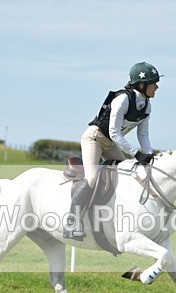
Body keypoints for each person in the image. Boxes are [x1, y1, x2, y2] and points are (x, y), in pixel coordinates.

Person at [63, 61, 162, 240]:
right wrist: (136, 153)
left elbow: (143, 135)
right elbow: (115, 133)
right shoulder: (122, 99)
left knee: (127, 175)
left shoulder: (147, 105)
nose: (157, 86)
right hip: (95, 138)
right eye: (153, 82)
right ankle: (72, 222)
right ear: (142, 84)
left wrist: (148, 154)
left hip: (110, 143)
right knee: (92, 178)